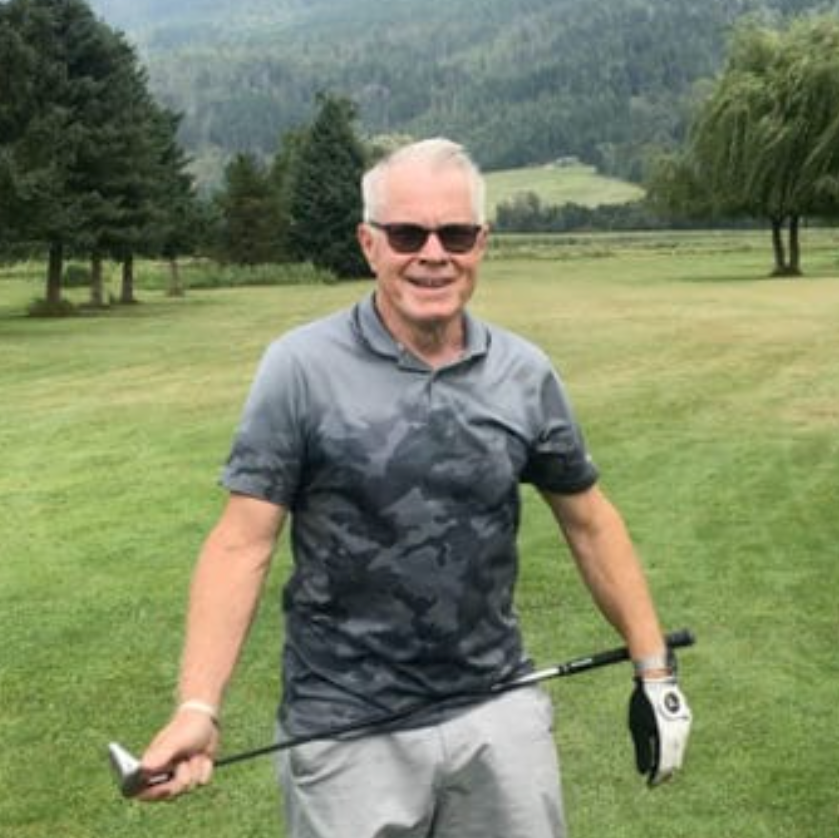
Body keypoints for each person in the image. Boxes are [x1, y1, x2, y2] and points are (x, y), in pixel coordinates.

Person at [135, 138, 691, 837]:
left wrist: (655, 672)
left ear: (482, 243)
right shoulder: (300, 368)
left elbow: (589, 520)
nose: (434, 253)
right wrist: (197, 708)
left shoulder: (523, 373)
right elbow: (241, 543)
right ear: (370, 244)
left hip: (497, 710)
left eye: (455, 233)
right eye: (407, 233)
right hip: (343, 726)